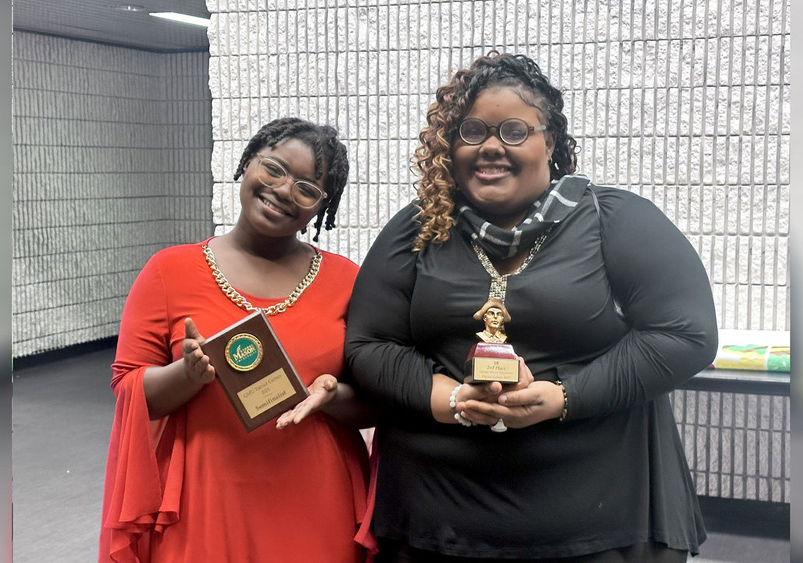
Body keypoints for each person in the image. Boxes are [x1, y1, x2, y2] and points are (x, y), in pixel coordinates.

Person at [345, 52, 718, 562]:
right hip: (435, 520)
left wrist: (564, 396)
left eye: (515, 130)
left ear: (552, 143)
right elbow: (367, 344)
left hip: (596, 519)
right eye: (472, 130)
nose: (491, 146)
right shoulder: (418, 230)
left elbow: (685, 335)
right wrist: (450, 398)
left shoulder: (615, 221)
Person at [99, 117, 374, 562]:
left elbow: (375, 398)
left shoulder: (347, 281)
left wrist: (330, 393)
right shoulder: (169, 272)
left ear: (320, 207)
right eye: (275, 168)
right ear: (248, 163)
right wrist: (186, 375)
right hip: (206, 496)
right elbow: (130, 392)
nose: (285, 191)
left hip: (315, 497)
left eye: (307, 188)